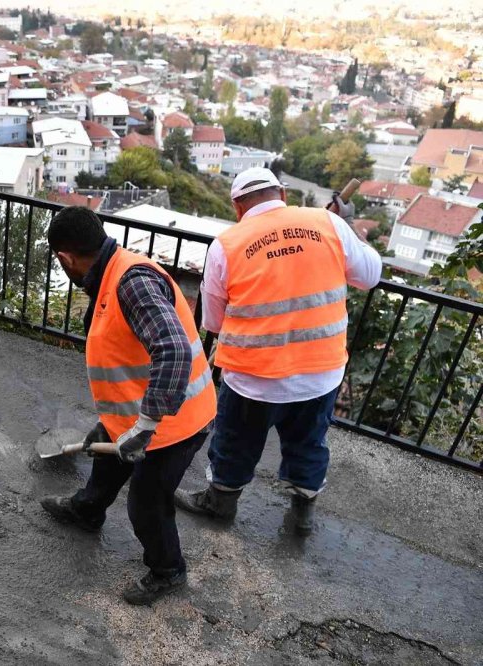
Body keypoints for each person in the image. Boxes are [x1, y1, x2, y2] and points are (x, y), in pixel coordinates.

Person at [176, 167, 381, 535]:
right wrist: (347, 227)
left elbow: (214, 322)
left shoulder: (228, 244)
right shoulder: (327, 223)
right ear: (282, 195)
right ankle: (302, 513)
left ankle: (220, 503)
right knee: (308, 443)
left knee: (236, 443)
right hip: (321, 373)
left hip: (254, 378)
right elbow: (369, 275)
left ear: (238, 207)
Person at [39, 206, 217, 607]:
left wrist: (147, 424)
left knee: (147, 504)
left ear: (66, 259)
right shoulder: (111, 275)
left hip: (176, 423)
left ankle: (168, 570)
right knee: (107, 456)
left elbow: (172, 351)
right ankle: (87, 510)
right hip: (135, 414)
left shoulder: (130, 282)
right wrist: (118, 421)